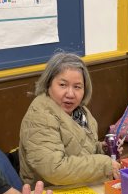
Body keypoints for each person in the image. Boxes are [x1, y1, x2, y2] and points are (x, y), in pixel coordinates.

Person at [19, 52, 120, 186]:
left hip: (80, 187)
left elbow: (80, 149)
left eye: (77, 87)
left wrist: (103, 149)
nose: (70, 94)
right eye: (63, 85)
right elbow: (55, 170)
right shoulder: (40, 116)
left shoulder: (80, 112)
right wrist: (104, 164)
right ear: (49, 84)